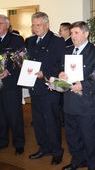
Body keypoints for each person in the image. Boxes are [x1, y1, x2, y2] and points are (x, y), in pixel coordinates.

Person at [59, 21, 95, 170]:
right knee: (72, 137)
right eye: (71, 33)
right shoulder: (68, 51)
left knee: (89, 138)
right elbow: (63, 70)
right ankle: (78, 160)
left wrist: (83, 85)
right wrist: (61, 75)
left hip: (88, 103)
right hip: (69, 102)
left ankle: (93, 164)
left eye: (76, 33)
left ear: (86, 34)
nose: (72, 36)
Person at [27, 12, 65, 165]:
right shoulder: (29, 41)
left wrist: (46, 74)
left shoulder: (57, 41)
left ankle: (57, 151)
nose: (36, 28)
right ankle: (43, 147)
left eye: (39, 25)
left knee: (52, 121)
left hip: (49, 88)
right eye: (34, 25)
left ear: (47, 25)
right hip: (34, 88)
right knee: (38, 121)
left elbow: (61, 65)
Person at [0, 15, 25, 155]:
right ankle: (2, 141)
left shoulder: (16, 39)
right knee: (1, 115)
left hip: (11, 84)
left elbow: (22, 60)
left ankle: (19, 143)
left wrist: (8, 70)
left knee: (14, 115)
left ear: (6, 25)